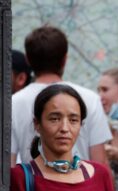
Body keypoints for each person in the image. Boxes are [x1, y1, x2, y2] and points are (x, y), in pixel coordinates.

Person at [11, 25, 111, 166]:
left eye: (73, 120)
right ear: (65, 59)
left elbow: (8, 166)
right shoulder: (90, 99)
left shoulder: (13, 103)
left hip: (31, 187)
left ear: (28, 60)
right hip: (82, 186)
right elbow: (100, 163)